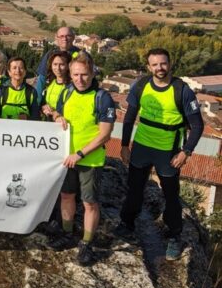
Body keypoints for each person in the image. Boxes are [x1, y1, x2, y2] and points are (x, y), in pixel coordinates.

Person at [114, 48, 205, 261]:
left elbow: (197, 125)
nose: (159, 68)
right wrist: (125, 145)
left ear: (170, 63)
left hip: (168, 150)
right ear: (148, 67)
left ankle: (175, 237)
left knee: (171, 196)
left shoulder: (182, 90)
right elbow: (129, 118)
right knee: (134, 188)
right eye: (154, 64)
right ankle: (127, 222)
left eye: (163, 63)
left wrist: (186, 152)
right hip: (142, 146)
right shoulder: (141, 85)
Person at [49, 54, 115, 266]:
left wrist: (80, 154)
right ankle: (68, 233)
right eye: (76, 74)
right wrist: (57, 117)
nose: (80, 79)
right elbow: (57, 112)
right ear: (70, 74)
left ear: (93, 73)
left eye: (84, 74)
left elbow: (105, 134)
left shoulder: (102, 97)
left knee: (89, 202)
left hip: (90, 160)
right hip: (66, 158)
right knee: (67, 196)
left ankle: (86, 243)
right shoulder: (67, 92)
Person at [35, 27, 80, 99]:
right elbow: (41, 79)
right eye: (61, 36)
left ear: (73, 37)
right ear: (56, 38)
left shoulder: (81, 55)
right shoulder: (51, 54)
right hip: (51, 97)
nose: (65, 39)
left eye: (68, 36)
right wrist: (36, 103)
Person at [41, 51, 71, 120]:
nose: (58, 68)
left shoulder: (72, 86)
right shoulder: (48, 83)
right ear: (51, 66)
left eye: (62, 64)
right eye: (55, 64)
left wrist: (55, 114)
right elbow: (43, 102)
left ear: (68, 66)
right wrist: (44, 107)